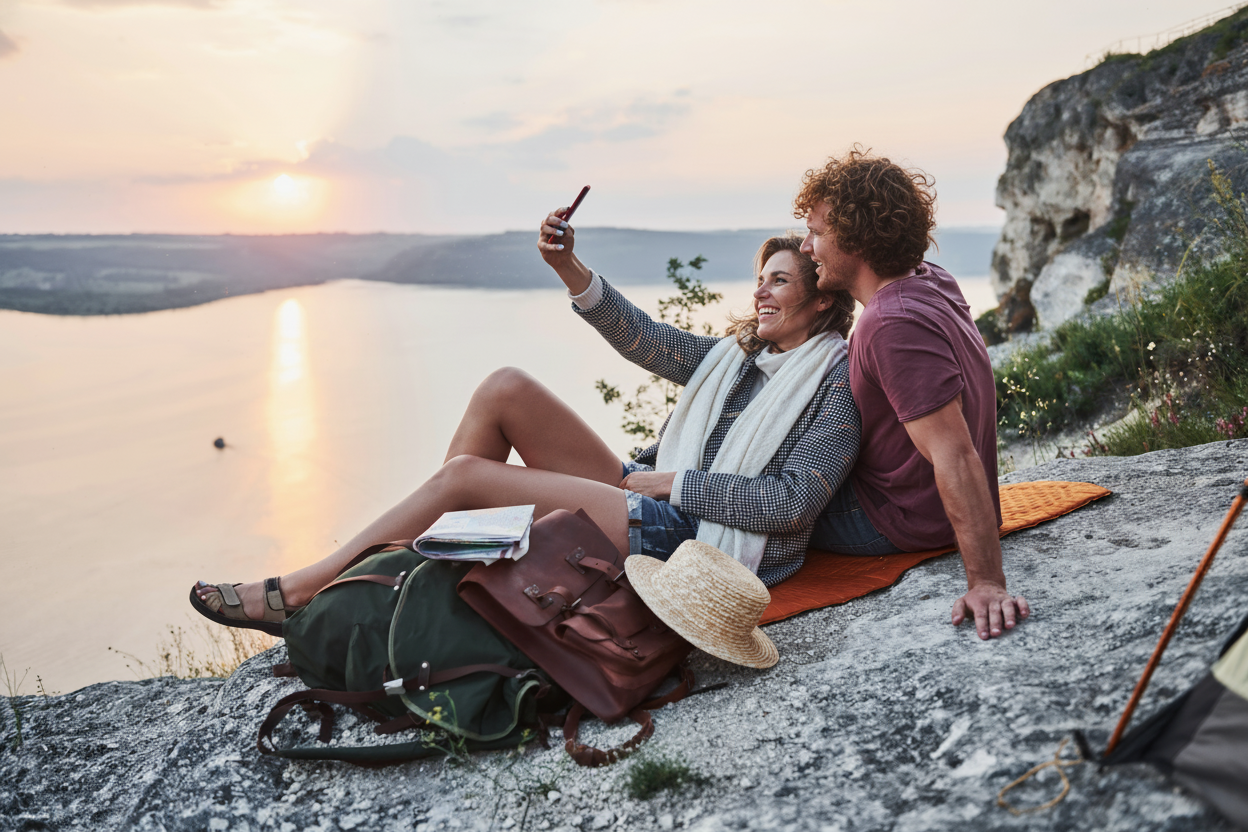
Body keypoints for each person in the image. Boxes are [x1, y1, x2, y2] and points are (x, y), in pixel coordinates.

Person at [191, 218, 860, 631]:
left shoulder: (834, 383)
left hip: (701, 543)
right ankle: (404, 578)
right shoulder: (739, 358)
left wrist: (671, 485)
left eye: (777, 281)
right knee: (504, 388)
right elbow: (644, 339)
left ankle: (308, 591)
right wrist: (570, 267)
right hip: (650, 498)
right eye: (761, 279)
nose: (759, 292)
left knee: (464, 480)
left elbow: (794, 504)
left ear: (822, 298)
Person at [794, 146, 1030, 642]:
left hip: (895, 519)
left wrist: (985, 581)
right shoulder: (928, 279)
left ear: (855, 239)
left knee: (754, 497)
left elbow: (954, 453)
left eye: (816, 233)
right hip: (913, 503)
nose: (805, 247)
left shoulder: (891, 323)